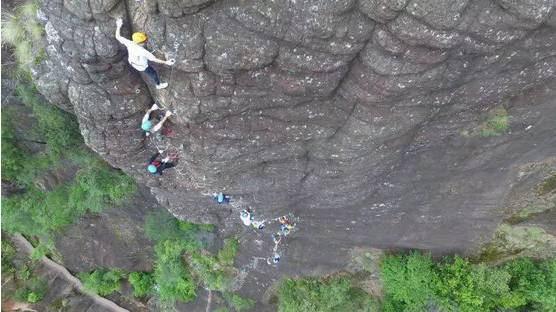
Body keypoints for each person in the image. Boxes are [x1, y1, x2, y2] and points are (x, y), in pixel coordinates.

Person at [115, 18, 175, 89]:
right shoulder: (143, 51)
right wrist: (166, 62)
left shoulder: (130, 43)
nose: (146, 41)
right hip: (142, 66)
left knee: (144, 55)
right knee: (153, 74)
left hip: (132, 61)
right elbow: (154, 59)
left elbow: (117, 36)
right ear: (140, 42)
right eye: (145, 40)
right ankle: (158, 85)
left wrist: (118, 26)